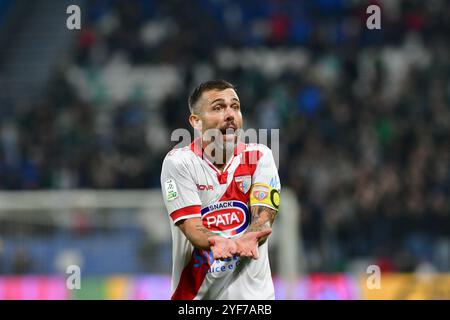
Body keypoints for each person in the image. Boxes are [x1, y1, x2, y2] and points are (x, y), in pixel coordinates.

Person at [160, 80, 281, 300]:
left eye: (235, 106)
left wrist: (251, 236)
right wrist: (219, 241)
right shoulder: (179, 163)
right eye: (218, 107)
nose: (230, 114)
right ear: (196, 121)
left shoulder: (260, 157)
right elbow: (193, 227)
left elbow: (264, 215)